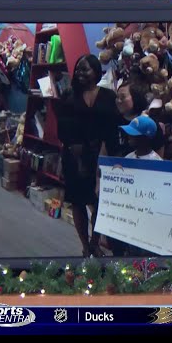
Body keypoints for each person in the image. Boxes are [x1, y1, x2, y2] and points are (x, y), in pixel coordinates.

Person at [57, 54, 119, 257]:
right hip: (75, 158)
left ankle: (95, 242)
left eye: (85, 69)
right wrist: (73, 149)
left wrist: (105, 151)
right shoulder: (68, 95)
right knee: (78, 202)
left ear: (96, 71)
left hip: (101, 156)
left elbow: (113, 127)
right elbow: (62, 128)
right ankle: (85, 246)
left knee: (100, 201)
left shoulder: (109, 96)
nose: (80, 73)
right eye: (78, 69)